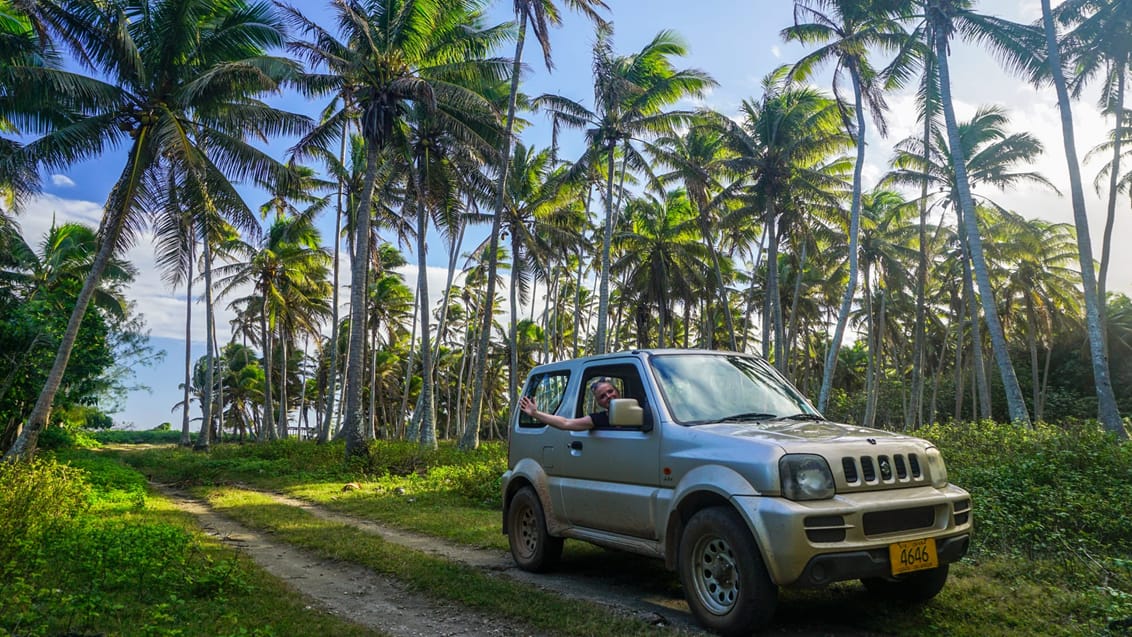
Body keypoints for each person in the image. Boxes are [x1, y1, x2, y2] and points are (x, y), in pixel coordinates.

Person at [519, 377, 619, 431]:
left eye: (610, 391)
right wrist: (535, 413)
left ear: (617, 391)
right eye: (602, 396)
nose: (608, 396)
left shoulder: (635, 408)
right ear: (599, 403)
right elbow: (565, 423)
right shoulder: (598, 419)